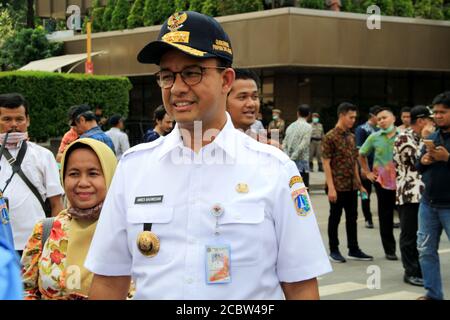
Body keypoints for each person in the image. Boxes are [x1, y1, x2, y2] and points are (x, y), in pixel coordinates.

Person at [85, 11, 331, 300]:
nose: (177, 88)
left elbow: (300, 285)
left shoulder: (274, 169)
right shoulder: (134, 168)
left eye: (192, 73)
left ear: (226, 79)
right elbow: (109, 280)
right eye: (167, 76)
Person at [21, 138, 117, 300]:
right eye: (74, 174)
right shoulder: (45, 231)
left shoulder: (127, 232)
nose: (83, 183)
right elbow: (24, 290)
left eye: (93, 173)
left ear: (111, 175)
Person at [0, 93, 64, 256]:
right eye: (7, 119)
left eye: (19, 119)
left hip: (35, 244)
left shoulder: (44, 155)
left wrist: (54, 242)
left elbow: (56, 203)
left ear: (28, 120)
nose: (14, 125)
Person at [322, 102, 373, 263]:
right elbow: (326, 163)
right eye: (350, 117)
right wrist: (331, 187)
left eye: (354, 117)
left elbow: (353, 163)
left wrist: (360, 184)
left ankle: (353, 248)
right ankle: (334, 250)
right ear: (342, 115)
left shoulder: (351, 137)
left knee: (352, 217)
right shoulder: (330, 136)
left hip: (351, 186)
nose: (353, 120)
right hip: (337, 186)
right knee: (335, 218)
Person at [393, 105, 434, 287]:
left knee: (422, 235)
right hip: (409, 193)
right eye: (430, 120)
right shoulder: (404, 138)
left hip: (424, 194)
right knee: (409, 234)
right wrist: (426, 139)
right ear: (421, 121)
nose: (432, 123)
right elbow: (418, 161)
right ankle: (409, 271)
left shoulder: (423, 138)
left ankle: (419, 268)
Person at [416, 91, 450, 300]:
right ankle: (433, 294)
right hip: (428, 203)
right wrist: (424, 161)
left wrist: (448, 158)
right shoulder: (433, 136)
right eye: (435, 112)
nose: (437, 116)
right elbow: (419, 165)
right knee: (426, 250)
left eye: (443, 112)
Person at [359, 106, 399, 261]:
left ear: (394, 118)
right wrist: (367, 172)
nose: (381, 121)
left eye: (385, 117)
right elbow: (362, 154)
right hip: (382, 183)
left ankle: (409, 249)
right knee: (385, 215)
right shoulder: (374, 137)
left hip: (403, 182)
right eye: (379, 119)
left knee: (408, 217)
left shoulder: (404, 135)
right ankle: (390, 250)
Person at [226, 68, 279, 147]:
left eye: (255, 97)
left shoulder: (264, 146)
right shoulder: (209, 142)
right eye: (242, 97)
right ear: (223, 101)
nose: (251, 104)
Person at [355, 105, 380, 229]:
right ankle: (368, 218)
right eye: (378, 117)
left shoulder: (381, 130)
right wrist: (362, 168)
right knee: (366, 193)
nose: (381, 119)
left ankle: (387, 219)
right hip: (366, 167)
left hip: (379, 168)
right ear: (372, 116)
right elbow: (359, 150)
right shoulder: (362, 129)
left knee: (382, 194)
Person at [282, 104, 312, 188]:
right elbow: (303, 145)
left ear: (298, 113)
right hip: (302, 163)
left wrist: (288, 157)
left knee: (290, 189)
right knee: (302, 190)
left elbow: (284, 143)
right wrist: (293, 157)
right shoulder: (308, 127)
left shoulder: (290, 126)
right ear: (309, 114)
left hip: (288, 163)